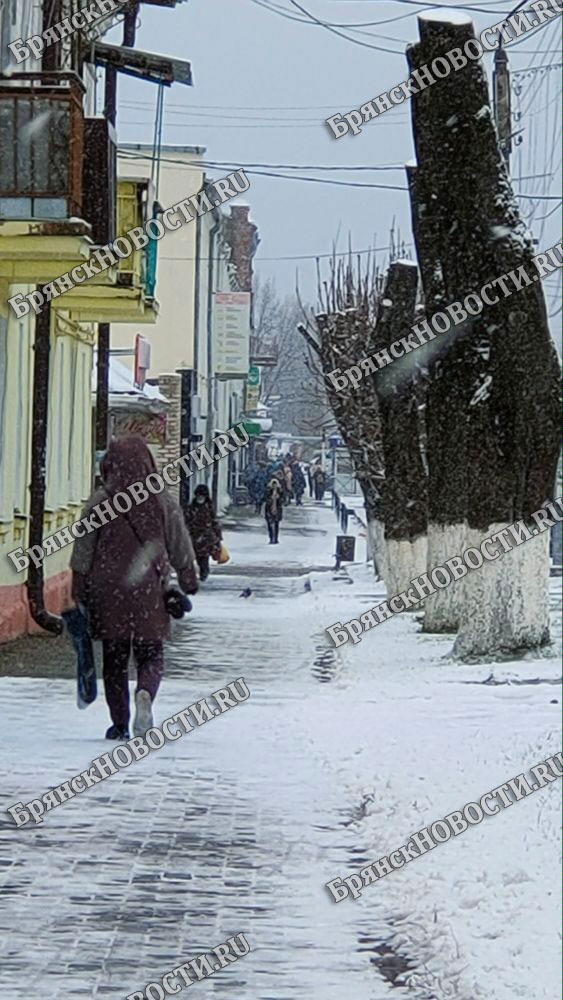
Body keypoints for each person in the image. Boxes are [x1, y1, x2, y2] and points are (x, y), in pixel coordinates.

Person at [70, 436, 198, 742]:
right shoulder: (162, 500)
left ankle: (119, 724)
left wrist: (79, 589)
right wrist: (188, 578)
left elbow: (83, 550)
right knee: (151, 654)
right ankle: (145, 692)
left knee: (114, 662)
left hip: (107, 592)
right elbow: (180, 544)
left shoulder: (100, 501)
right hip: (149, 592)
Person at [185, 484, 223, 581]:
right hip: (194, 536)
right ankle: (202, 570)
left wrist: (218, 535)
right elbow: (187, 520)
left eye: (202, 495)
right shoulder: (191, 508)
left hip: (206, 537)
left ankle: (204, 572)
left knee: (204, 556)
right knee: (197, 556)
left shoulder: (209, 507)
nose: (200, 497)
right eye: (199, 495)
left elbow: (214, 521)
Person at [264, 476, 283, 544]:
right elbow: (265, 499)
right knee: (270, 524)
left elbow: (282, 500)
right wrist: (270, 499)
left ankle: (275, 538)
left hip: (277, 509)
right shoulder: (268, 491)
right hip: (269, 509)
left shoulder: (280, 491)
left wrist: (278, 498)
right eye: (273, 484)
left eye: (275, 484)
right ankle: (271, 537)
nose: (274, 485)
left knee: (276, 524)